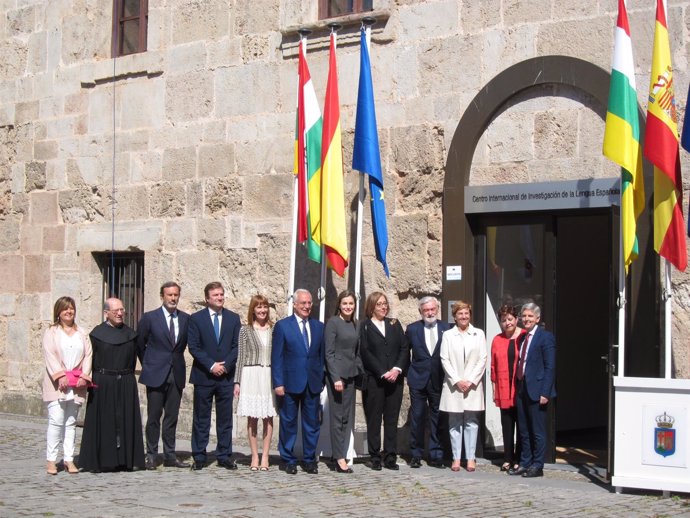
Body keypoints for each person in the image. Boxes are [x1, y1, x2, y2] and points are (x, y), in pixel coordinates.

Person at [79, 298, 146, 472]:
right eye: (115, 310)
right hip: (103, 382)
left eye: (122, 310)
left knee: (125, 419)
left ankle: (126, 459)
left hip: (125, 381)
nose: (119, 313)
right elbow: (89, 360)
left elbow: (140, 357)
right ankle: (101, 460)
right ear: (106, 313)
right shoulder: (97, 334)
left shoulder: (131, 334)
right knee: (104, 420)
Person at [136, 281, 190, 470]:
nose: (173, 298)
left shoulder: (185, 319)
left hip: (176, 373)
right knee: (154, 416)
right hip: (155, 373)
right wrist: (149, 365)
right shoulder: (150, 318)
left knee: (172, 417)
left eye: (176, 295)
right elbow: (140, 344)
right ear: (162, 296)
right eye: (169, 295)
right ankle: (151, 454)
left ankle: (170, 454)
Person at [188, 281, 241, 470]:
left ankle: (224, 455)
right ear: (207, 299)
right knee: (201, 418)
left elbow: (237, 346)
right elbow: (193, 346)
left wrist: (225, 366)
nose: (220, 298)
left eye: (221, 294)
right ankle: (200, 456)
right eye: (216, 295)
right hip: (204, 376)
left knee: (225, 419)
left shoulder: (233, 318)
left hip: (225, 376)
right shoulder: (196, 319)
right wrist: (211, 365)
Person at [271, 288, 325, 475]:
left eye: (309, 303)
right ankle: (288, 459)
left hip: (312, 383)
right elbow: (276, 357)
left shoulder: (319, 327)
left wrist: (322, 379)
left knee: (312, 424)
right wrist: (278, 383)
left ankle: (310, 459)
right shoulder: (283, 326)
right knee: (288, 423)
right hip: (289, 383)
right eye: (303, 303)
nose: (307, 306)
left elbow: (320, 356)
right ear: (294, 304)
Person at [42, 296, 93, 475]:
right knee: (56, 421)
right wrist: (59, 376)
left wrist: (85, 376)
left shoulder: (82, 333)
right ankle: (51, 460)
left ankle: (69, 460)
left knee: (71, 422)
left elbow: (88, 355)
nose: (69, 311)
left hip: (77, 383)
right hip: (58, 385)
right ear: (58, 312)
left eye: (71, 308)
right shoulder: (52, 332)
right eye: (65, 309)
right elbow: (50, 355)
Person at [359, 291, 409, 471]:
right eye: (379, 304)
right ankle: (374, 456)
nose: (383, 307)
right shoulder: (364, 326)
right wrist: (382, 371)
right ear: (372, 306)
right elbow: (365, 351)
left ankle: (390, 456)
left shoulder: (394, 324)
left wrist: (396, 369)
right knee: (374, 419)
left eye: (385, 303)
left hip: (394, 380)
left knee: (391, 419)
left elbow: (404, 348)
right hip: (375, 380)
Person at [509, 302, 556, 478]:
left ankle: (538, 465)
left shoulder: (545, 337)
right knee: (523, 429)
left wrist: (545, 391)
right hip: (522, 388)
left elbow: (550, 366)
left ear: (537, 318)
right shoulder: (521, 337)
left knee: (537, 430)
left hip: (537, 389)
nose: (526, 319)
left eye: (530, 316)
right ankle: (524, 462)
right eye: (524, 316)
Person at [440, 300, 487, 473]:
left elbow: (482, 359)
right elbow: (444, 359)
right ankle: (456, 457)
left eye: (466, 313)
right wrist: (457, 380)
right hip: (454, 385)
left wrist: (471, 380)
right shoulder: (448, 335)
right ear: (455, 316)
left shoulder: (479, 334)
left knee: (472, 422)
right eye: (460, 313)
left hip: (472, 385)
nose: (464, 316)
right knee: (454, 422)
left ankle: (471, 458)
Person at [405, 296, 451, 469]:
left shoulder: (447, 328)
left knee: (437, 418)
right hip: (418, 380)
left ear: (437, 309)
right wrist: (409, 372)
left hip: (439, 380)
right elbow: (404, 353)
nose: (430, 313)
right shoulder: (412, 329)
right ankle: (416, 454)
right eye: (426, 310)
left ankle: (436, 455)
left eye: (432, 309)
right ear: (420, 312)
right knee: (417, 417)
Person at [234, 294, 277, 471]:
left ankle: (265, 456)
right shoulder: (246, 330)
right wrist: (237, 382)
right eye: (259, 307)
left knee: (268, 416)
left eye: (265, 307)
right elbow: (240, 356)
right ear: (253, 309)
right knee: (252, 417)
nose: (262, 310)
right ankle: (254, 456)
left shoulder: (274, 329)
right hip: (251, 373)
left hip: (268, 373)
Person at [324, 289, 363, 474]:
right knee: (337, 417)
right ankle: (339, 458)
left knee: (346, 418)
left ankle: (339, 453)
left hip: (351, 376)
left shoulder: (355, 324)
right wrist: (335, 378)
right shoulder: (333, 323)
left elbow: (355, 352)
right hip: (337, 378)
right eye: (345, 303)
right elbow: (328, 353)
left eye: (351, 304)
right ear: (339, 305)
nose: (348, 306)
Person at [490, 304, 525, 472]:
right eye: (503, 320)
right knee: (507, 423)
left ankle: (519, 458)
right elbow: (493, 366)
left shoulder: (524, 336)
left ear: (516, 319)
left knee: (522, 424)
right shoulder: (497, 339)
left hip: (520, 387)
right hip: (504, 386)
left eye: (510, 319)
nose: (507, 323)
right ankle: (507, 458)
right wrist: (494, 388)